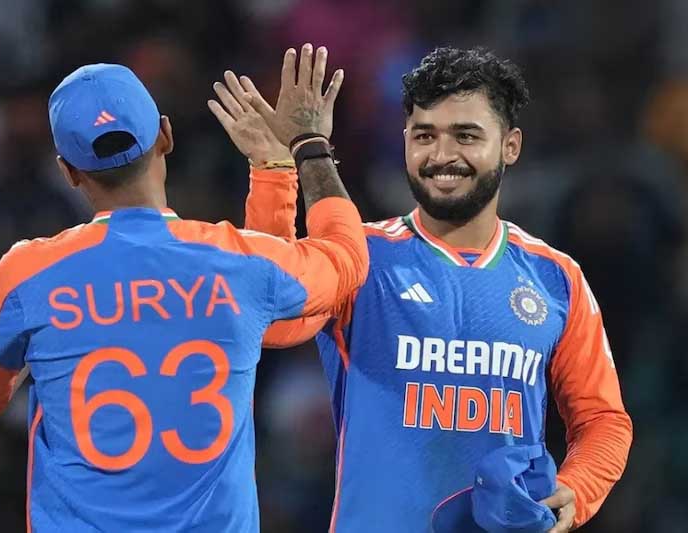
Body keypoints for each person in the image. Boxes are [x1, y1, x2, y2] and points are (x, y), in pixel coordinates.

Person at [0, 46, 367, 532]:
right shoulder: (237, 265)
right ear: (165, 135)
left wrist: (22, 363)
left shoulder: (27, 274)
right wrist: (299, 151)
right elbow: (345, 262)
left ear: (68, 170)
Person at [223, 45, 633, 532]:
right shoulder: (360, 256)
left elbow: (603, 420)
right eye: (424, 136)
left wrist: (577, 489)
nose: (441, 156)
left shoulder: (555, 277)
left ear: (510, 146)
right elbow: (272, 319)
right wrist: (273, 172)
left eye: (465, 136)